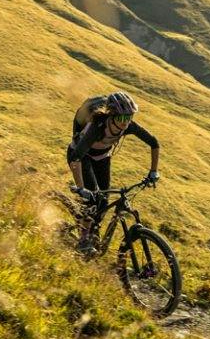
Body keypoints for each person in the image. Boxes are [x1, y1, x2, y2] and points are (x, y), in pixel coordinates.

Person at [67, 91, 159, 246]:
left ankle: (93, 232)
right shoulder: (97, 127)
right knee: (92, 198)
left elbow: (154, 143)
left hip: (102, 157)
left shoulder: (129, 126)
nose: (125, 122)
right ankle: (83, 238)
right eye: (122, 117)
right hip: (81, 157)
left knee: (103, 201)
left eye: (129, 117)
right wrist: (81, 188)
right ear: (111, 115)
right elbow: (76, 158)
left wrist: (153, 171)